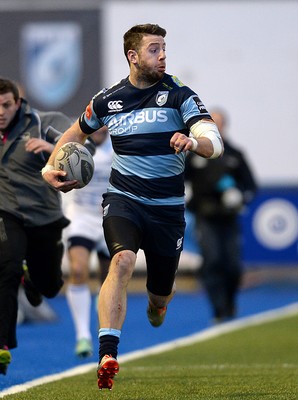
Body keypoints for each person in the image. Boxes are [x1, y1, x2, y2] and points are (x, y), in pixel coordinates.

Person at [41, 23, 224, 390]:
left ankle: (158, 305)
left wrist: (192, 141)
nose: (163, 55)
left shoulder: (178, 95)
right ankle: (107, 353)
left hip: (168, 209)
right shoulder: (109, 99)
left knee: (159, 298)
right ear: (133, 56)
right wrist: (50, 166)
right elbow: (77, 131)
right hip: (124, 199)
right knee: (121, 261)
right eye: (154, 49)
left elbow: (212, 139)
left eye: (164, 48)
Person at [0, 77, 73, 375]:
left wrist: (54, 148)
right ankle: (2, 345)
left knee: (51, 286)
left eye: (6, 105)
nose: (1, 112)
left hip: (44, 217)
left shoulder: (45, 122)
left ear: (18, 103)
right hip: (6, 213)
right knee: (6, 268)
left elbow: (85, 153)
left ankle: (33, 280)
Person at [185, 108, 257, 323]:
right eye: (211, 124)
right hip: (205, 217)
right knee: (213, 260)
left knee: (233, 265)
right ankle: (217, 309)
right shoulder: (195, 153)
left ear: (225, 126)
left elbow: (251, 185)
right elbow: (181, 180)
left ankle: (230, 301)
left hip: (229, 217)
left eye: (219, 123)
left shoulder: (235, 153)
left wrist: (241, 197)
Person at [64, 126, 112, 358]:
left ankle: (102, 314)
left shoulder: (120, 147)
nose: (102, 128)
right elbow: (55, 156)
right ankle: (82, 336)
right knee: (78, 269)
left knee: (110, 281)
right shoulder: (75, 146)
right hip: (81, 216)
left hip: (109, 217)